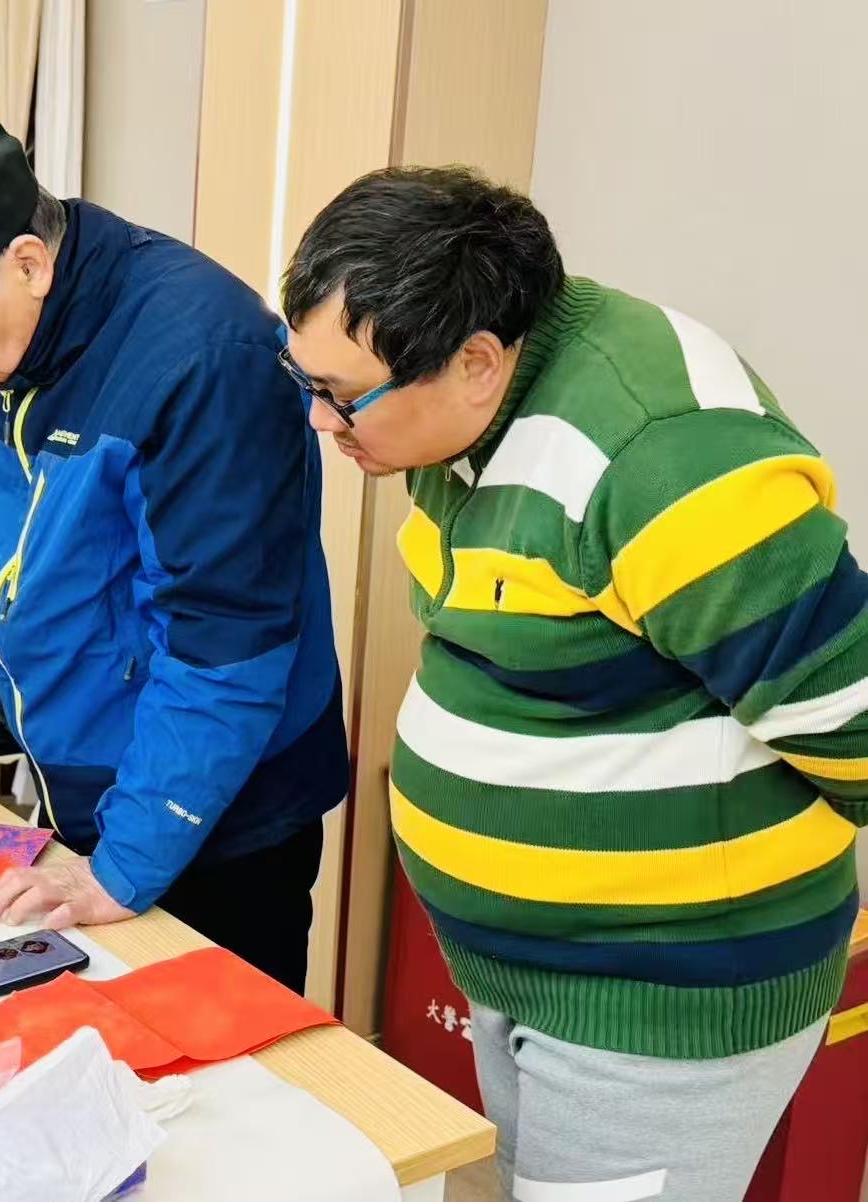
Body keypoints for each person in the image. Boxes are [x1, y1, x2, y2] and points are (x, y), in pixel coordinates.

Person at [281, 166, 867, 1200]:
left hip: (658, 997)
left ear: (475, 360)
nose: (323, 423)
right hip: (534, 970)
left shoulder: (665, 460)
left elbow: (853, 722)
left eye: (341, 396)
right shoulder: (469, 404)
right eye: (308, 383)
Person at [0, 112, 350, 993]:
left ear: (29, 264)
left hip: (216, 810)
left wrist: (122, 863)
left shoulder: (205, 362)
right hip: (88, 789)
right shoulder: (6, 345)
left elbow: (223, 653)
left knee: (214, 1061)